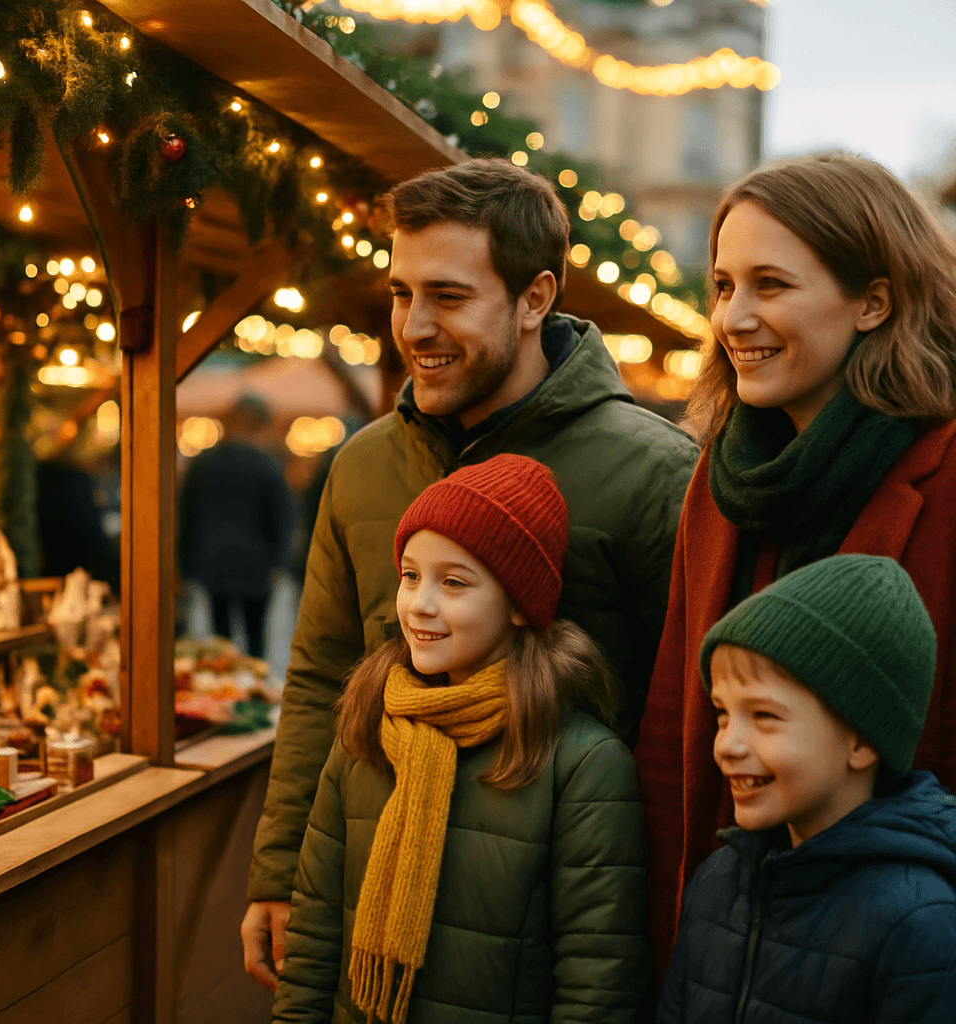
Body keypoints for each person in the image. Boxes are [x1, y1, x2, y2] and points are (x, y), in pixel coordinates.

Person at [242, 158, 697, 992]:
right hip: (375, 915)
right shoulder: (362, 466)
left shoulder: (657, 476)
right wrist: (279, 871)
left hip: (555, 945)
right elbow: (319, 680)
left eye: (448, 298)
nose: (413, 326)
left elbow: (683, 725)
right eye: (400, 293)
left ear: (535, 299)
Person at [633, 151, 956, 983]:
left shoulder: (947, 470)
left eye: (770, 285)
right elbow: (677, 718)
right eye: (723, 286)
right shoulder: (718, 477)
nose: (734, 317)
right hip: (727, 937)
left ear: (873, 301)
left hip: (900, 953)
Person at [272, 455, 651, 1024]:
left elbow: (598, 983)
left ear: (521, 604)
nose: (421, 604)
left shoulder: (581, 764)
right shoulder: (368, 731)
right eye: (410, 575)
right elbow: (312, 944)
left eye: (453, 582)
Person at [655, 555, 956, 1023]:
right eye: (721, 713)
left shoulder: (920, 924)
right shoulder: (718, 882)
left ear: (863, 740)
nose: (727, 745)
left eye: (764, 717)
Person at [177, 394, 294, 658]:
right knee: (256, 638)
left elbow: (186, 515)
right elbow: (282, 518)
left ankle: (224, 687)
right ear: (258, 425)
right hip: (256, 564)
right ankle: (253, 692)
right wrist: (279, 562)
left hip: (211, 561)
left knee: (221, 638)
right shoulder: (266, 465)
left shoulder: (202, 464)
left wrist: (184, 566)